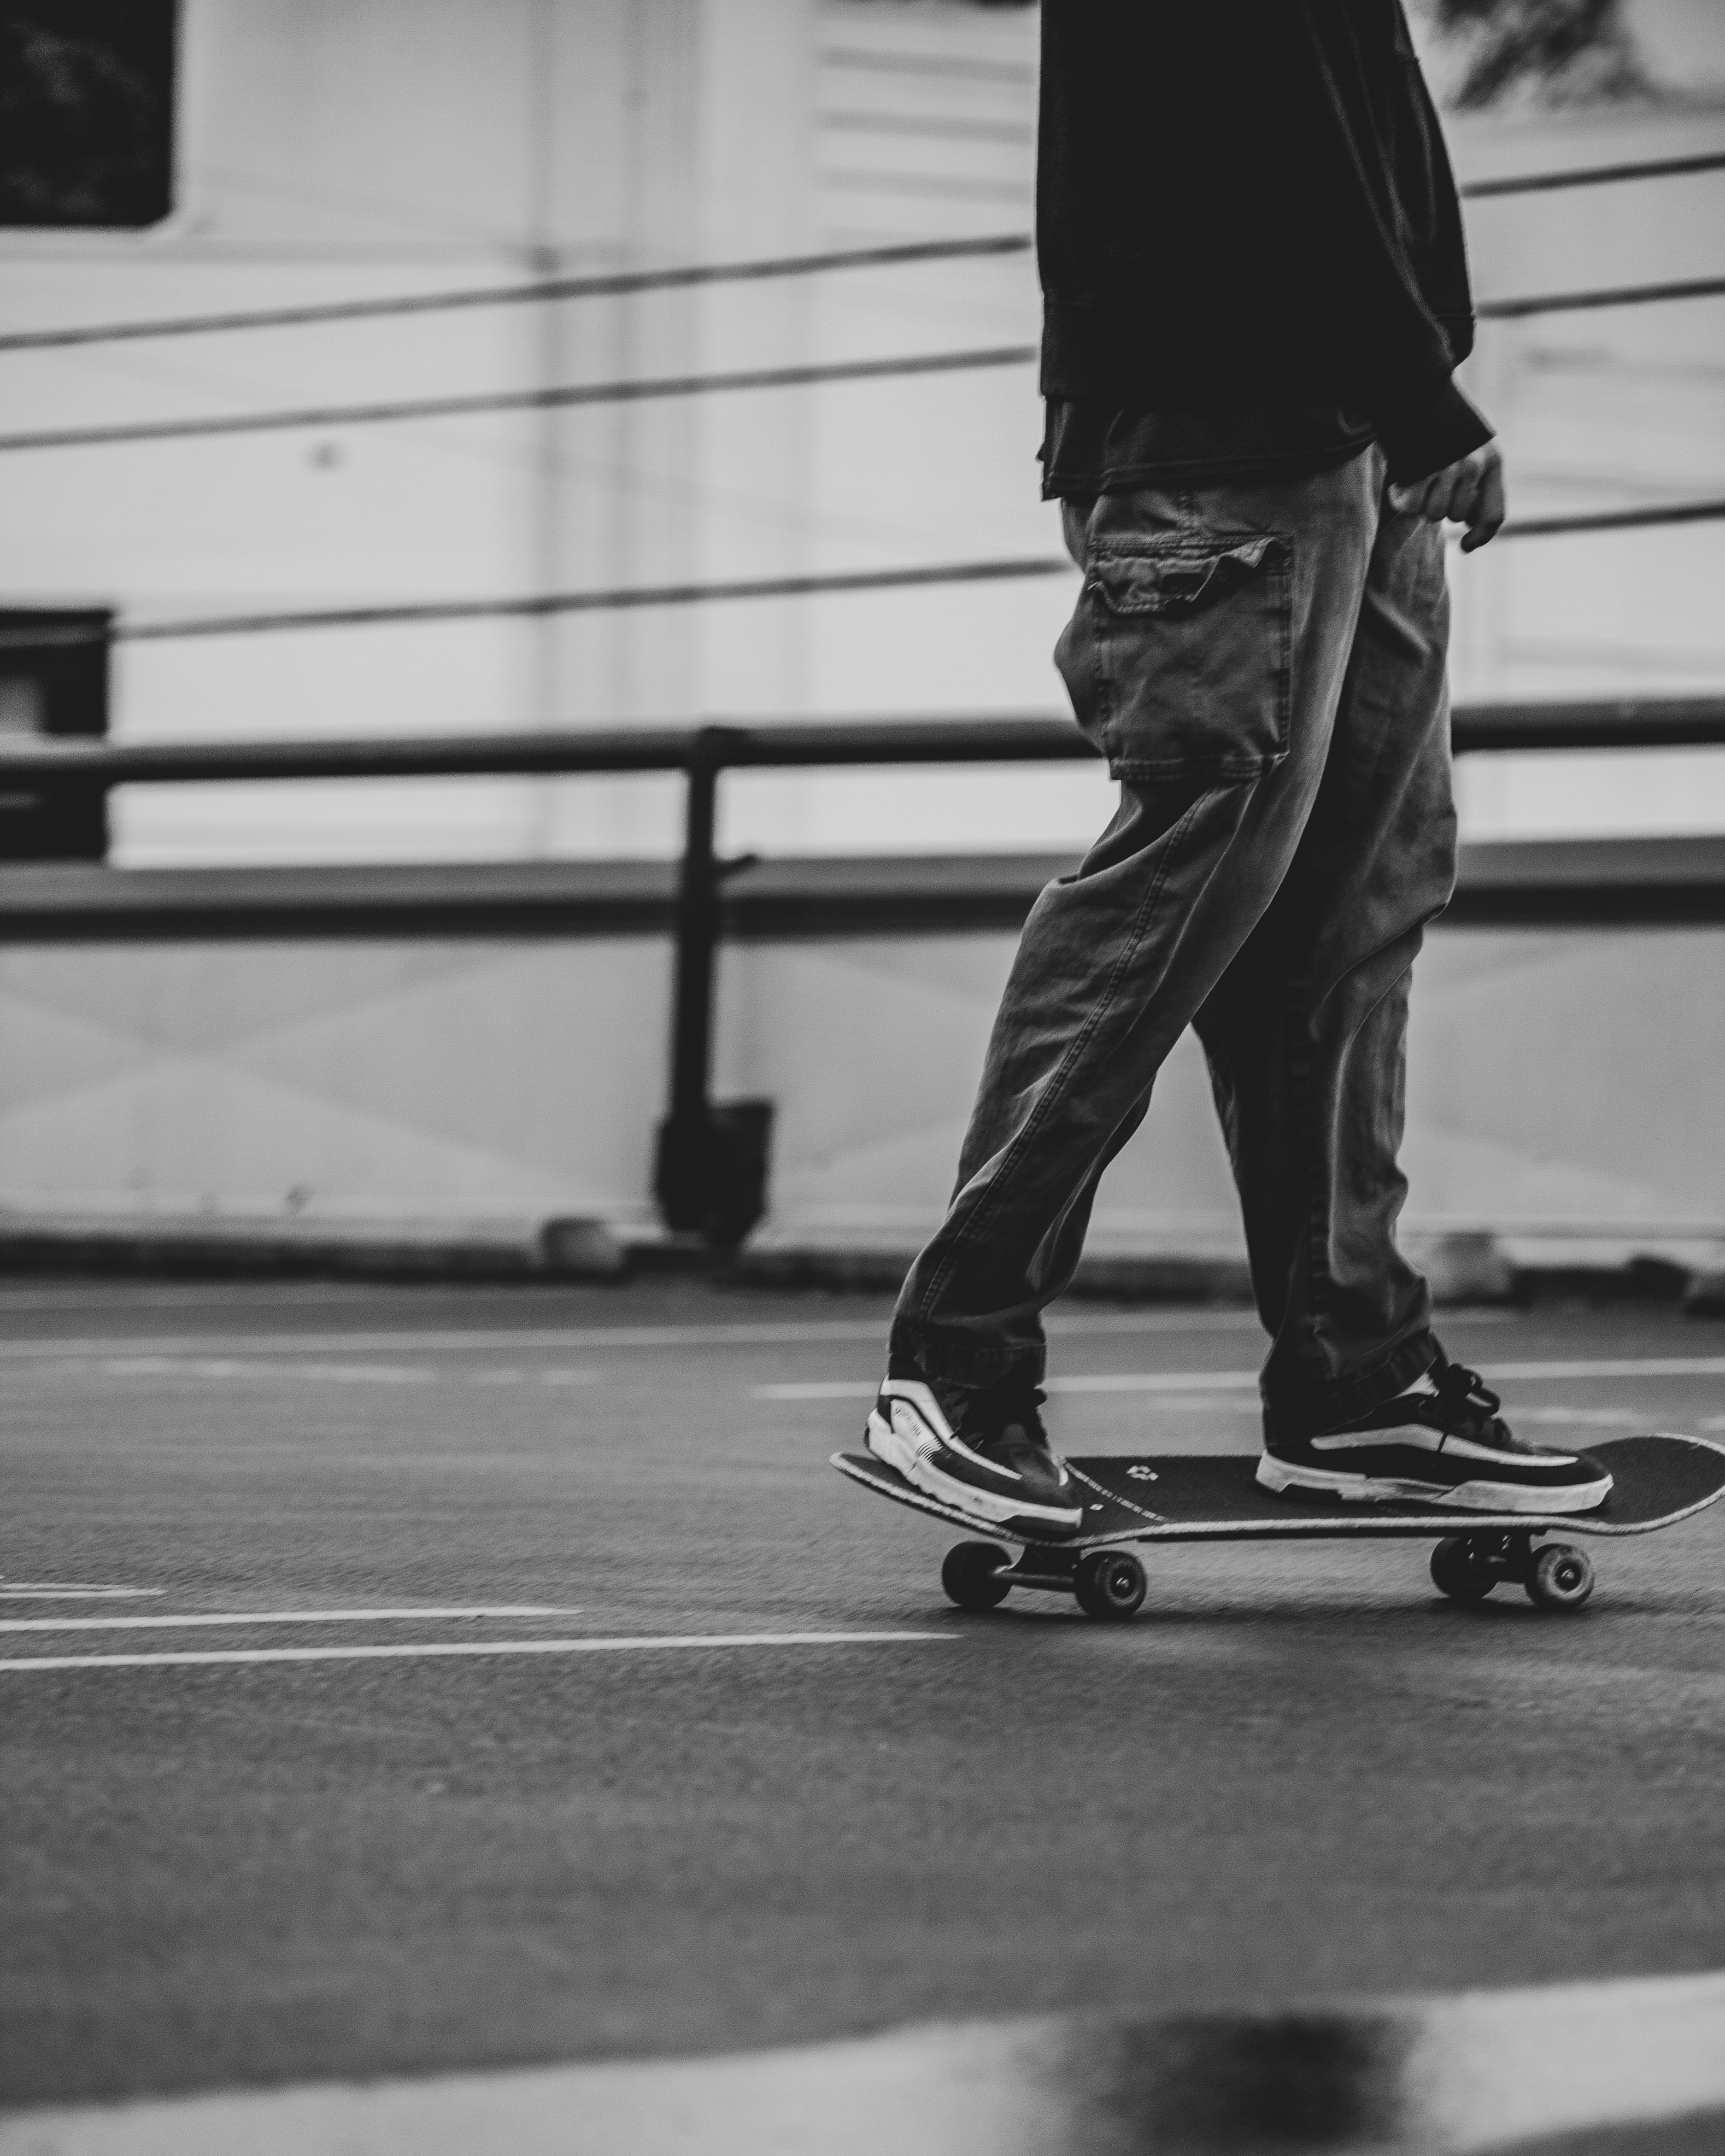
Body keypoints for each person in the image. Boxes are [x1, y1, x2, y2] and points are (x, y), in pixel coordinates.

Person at [866, 0, 1612, 1539]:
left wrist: (1403, 400)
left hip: (1358, 443)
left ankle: (1360, 1383)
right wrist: (1417, 389)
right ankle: (956, 1362)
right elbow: (1256, 129)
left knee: (1357, 915)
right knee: (1178, 892)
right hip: (1228, 436)